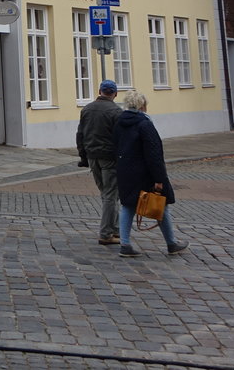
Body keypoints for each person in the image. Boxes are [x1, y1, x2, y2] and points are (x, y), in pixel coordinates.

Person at [115, 90, 188, 257]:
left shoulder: (119, 122)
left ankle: (125, 244)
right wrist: (159, 179)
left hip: (125, 170)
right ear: (143, 106)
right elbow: (153, 154)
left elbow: (115, 146)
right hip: (144, 173)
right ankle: (171, 243)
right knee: (161, 205)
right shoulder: (145, 124)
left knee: (127, 206)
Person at [76, 79, 122, 245]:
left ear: (100, 91)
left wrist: (83, 157)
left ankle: (116, 229)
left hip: (92, 156)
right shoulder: (116, 111)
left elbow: (80, 135)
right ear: (115, 93)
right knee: (110, 195)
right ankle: (106, 233)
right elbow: (120, 139)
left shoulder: (87, 109)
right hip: (109, 158)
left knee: (107, 194)